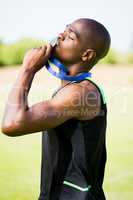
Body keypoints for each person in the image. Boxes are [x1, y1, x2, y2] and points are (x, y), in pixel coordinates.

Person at [2, 18, 111, 200]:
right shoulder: (71, 90)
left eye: (70, 36)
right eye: (64, 30)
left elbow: (12, 124)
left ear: (86, 55)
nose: (60, 35)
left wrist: (28, 69)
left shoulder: (80, 94)